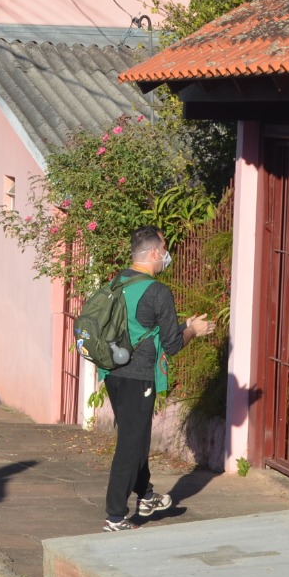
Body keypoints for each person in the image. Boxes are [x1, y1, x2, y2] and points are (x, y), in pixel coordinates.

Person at [102, 225, 214, 532]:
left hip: (113, 373)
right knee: (130, 444)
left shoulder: (119, 281)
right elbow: (173, 345)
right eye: (164, 248)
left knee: (135, 437)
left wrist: (181, 324)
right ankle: (114, 514)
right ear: (154, 252)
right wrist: (194, 330)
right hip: (139, 377)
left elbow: (144, 327)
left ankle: (147, 495)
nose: (166, 254)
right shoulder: (158, 291)